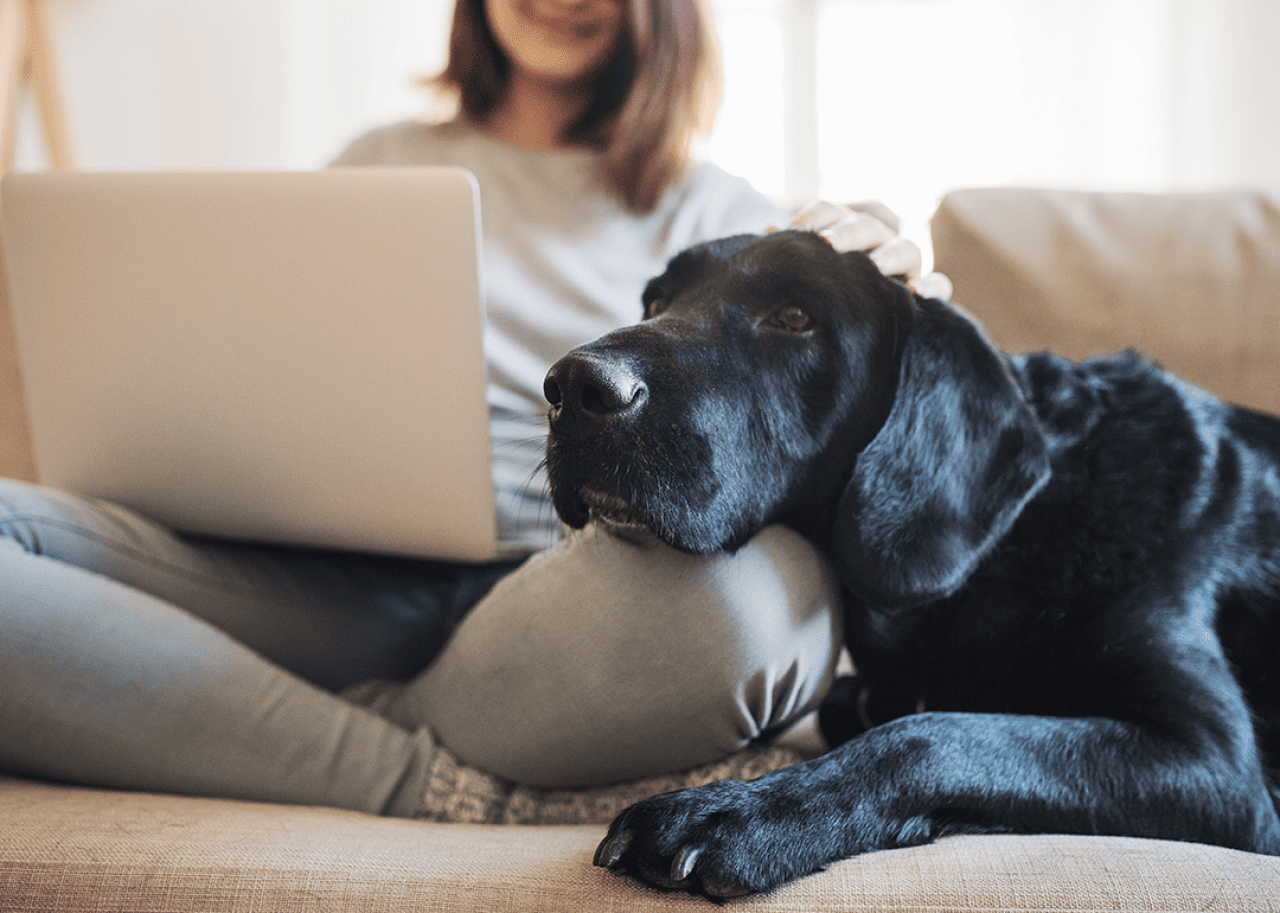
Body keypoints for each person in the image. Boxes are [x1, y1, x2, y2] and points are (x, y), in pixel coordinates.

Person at [0, 0, 948, 822]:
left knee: (762, 606)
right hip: (327, 572)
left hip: (566, 596)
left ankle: (237, 714)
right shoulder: (377, 161)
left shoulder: (712, 212)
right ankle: (429, 780)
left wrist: (870, 274)